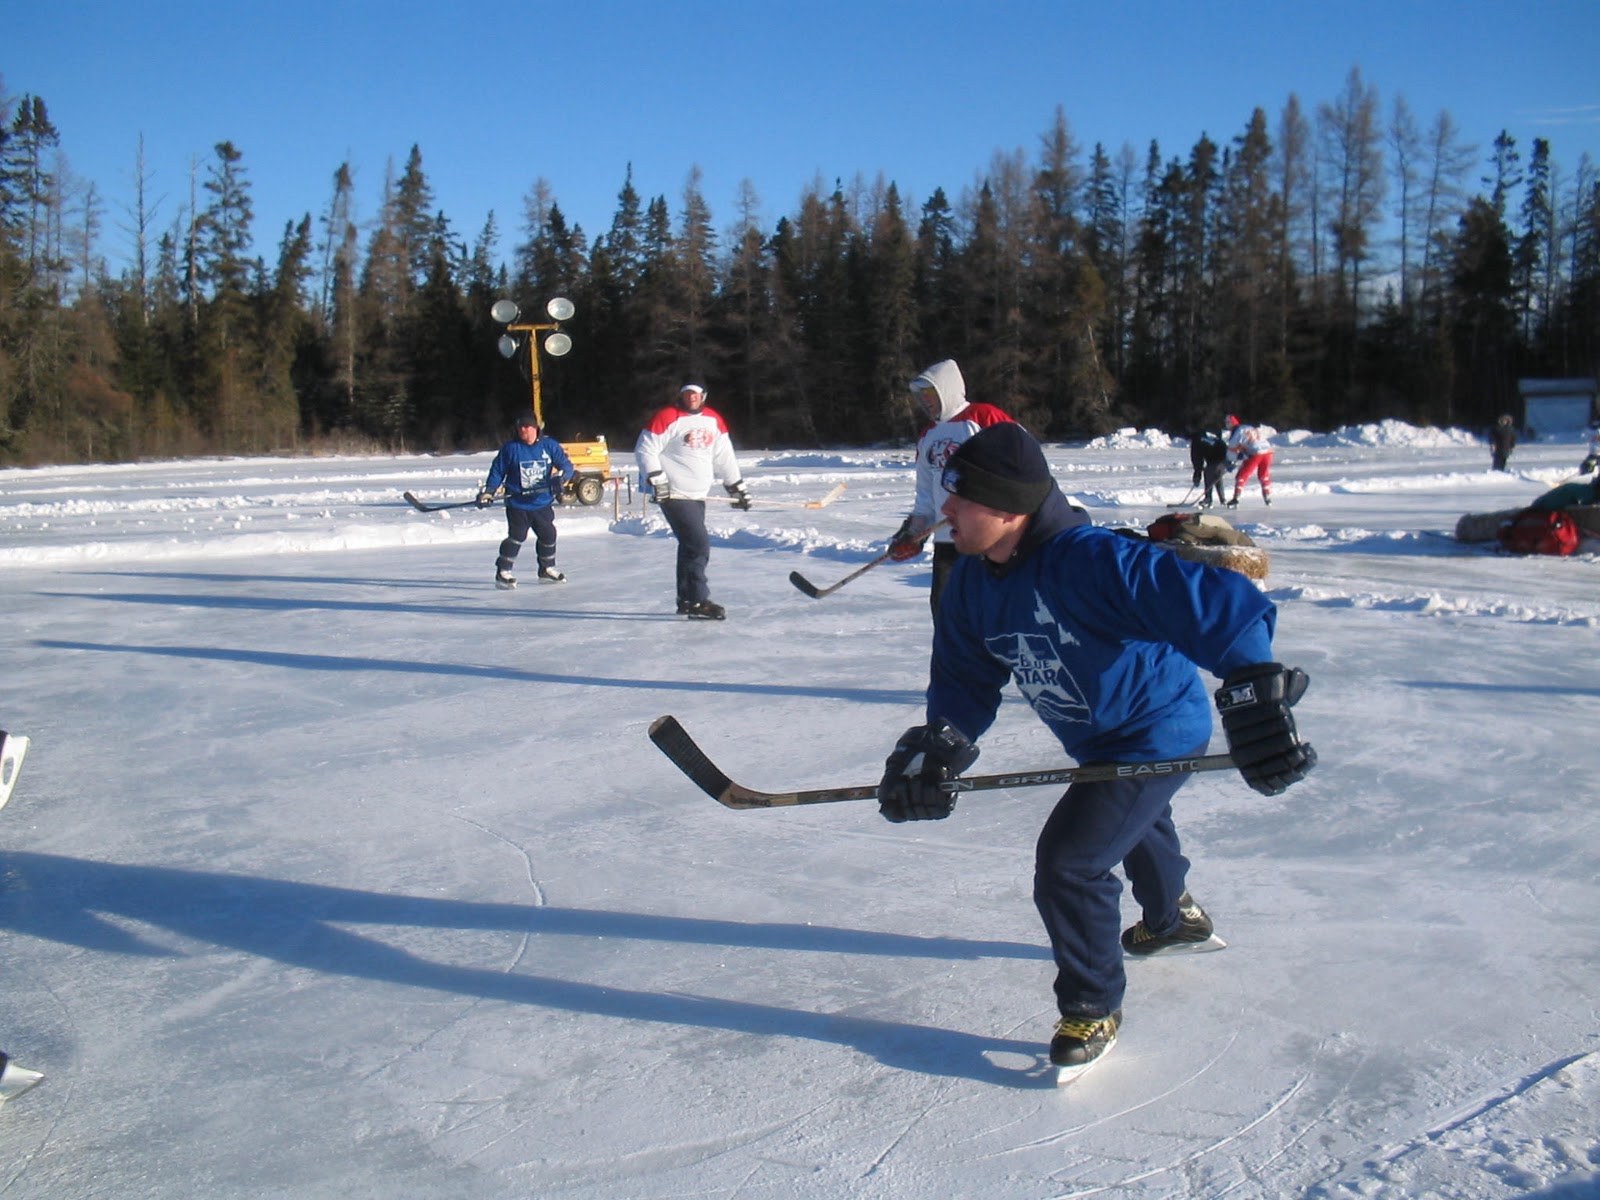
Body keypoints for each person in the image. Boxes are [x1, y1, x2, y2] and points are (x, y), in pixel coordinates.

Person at [875, 422, 1315, 1074]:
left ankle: (1092, 1004)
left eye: (958, 499)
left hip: (1157, 729)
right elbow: (967, 679)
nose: (945, 512)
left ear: (1006, 508)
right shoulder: (971, 584)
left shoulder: (1092, 560)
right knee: (1134, 823)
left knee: (1071, 861)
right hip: (1094, 735)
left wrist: (1253, 685)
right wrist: (942, 742)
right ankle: (1173, 920)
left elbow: (1222, 601)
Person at [886, 360, 1015, 615]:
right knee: (946, 613)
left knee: (991, 613)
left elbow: (1023, 462)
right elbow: (925, 494)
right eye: (921, 396)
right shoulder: (928, 436)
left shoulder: (983, 417)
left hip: (987, 538)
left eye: (930, 394)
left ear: (946, 389)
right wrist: (914, 530)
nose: (926, 401)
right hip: (948, 541)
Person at [635, 383, 751, 621]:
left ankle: (687, 600)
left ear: (703, 396)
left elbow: (724, 456)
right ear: (681, 395)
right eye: (688, 394)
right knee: (698, 545)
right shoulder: (667, 417)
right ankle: (697, 599)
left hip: (697, 494)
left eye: (696, 394)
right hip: (675, 494)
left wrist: (735, 486)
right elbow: (645, 449)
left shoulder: (713, 420)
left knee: (690, 546)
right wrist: (658, 480)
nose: (692, 398)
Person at [479, 415, 575, 588]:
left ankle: (546, 569)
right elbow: (497, 472)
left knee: (548, 535)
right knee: (517, 536)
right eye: (520, 427)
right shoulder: (511, 448)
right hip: (518, 504)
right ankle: (503, 572)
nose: (523, 430)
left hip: (542, 503)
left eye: (527, 426)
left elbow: (566, 466)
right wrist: (489, 492)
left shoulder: (549, 445)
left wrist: (560, 478)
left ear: (535, 428)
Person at [1224, 415, 1274, 507]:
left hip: (1255, 453)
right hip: (1268, 451)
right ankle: (1267, 496)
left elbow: (1232, 447)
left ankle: (1236, 498)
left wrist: (1230, 460)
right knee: (1263, 474)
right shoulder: (1249, 427)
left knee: (1242, 475)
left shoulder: (1237, 431)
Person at [1187, 425, 1229, 509]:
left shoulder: (1197, 441)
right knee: (1217, 476)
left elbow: (1197, 460)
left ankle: (1208, 499)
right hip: (1225, 458)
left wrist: (1197, 475)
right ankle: (1222, 499)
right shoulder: (1205, 435)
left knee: (1209, 474)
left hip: (1218, 459)